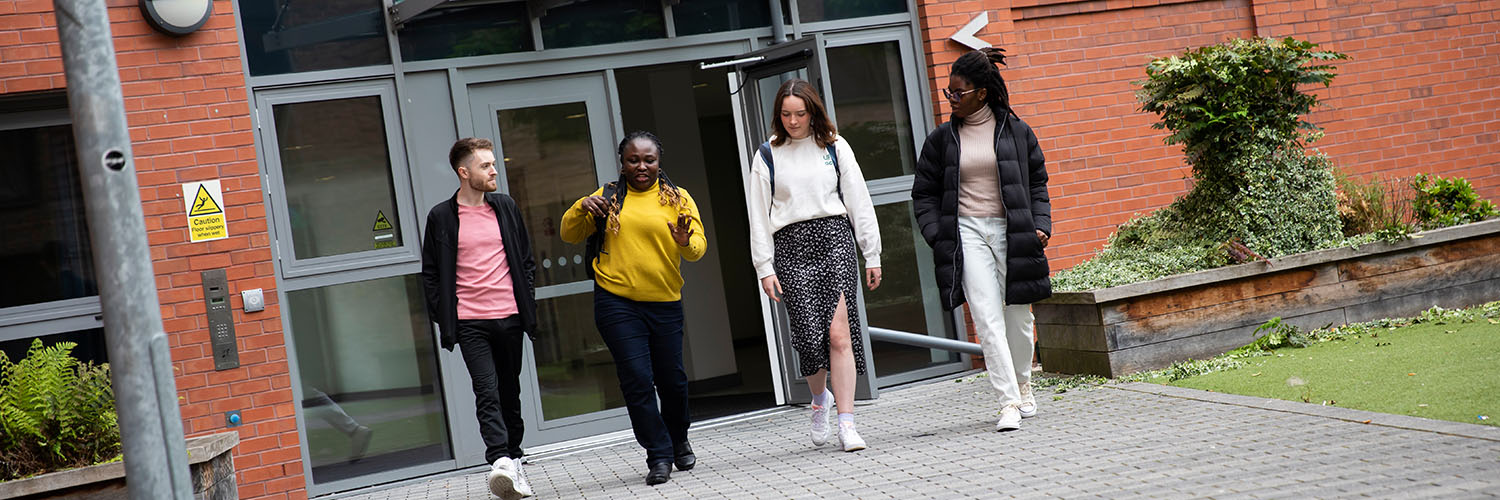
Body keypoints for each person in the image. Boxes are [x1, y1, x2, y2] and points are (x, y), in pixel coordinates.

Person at [911, 48, 1054, 432]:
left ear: (982, 93)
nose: (952, 99)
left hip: (1013, 231)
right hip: (966, 233)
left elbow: (1038, 182)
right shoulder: (941, 140)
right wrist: (936, 233)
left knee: (1019, 317)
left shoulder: (1017, 131)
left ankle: (1024, 383)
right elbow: (923, 193)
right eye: (948, 92)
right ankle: (1007, 401)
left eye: (958, 93)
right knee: (986, 318)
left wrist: (1041, 222)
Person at [560, 131, 707, 486]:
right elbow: (568, 233)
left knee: (672, 381)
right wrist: (582, 206)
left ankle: (678, 439)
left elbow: (698, 249)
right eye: (633, 160)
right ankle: (658, 454)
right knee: (638, 380)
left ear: (659, 161)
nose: (641, 166)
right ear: (622, 163)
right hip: (616, 301)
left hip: (664, 301)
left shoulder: (677, 199)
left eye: (649, 159)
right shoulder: (607, 197)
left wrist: (685, 242)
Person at [747, 79, 882, 452]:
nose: (793, 121)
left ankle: (847, 422)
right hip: (789, 246)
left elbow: (859, 200)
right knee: (809, 339)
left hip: (834, 238)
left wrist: (872, 253)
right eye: (786, 114)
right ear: (779, 115)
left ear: (813, 112)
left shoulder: (835, 146)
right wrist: (765, 267)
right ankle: (820, 399)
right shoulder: (767, 156)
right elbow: (758, 216)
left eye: (800, 114)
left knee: (840, 335)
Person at [420, 137, 538, 499]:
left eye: (493, 163)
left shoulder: (504, 206)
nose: (493, 170)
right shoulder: (442, 216)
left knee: (509, 392)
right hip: (471, 321)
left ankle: (514, 460)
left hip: (510, 317)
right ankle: (499, 460)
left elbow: (525, 259)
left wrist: (526, 297)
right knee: (486, 390)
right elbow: (430, 273)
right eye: (485, 165)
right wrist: (447, 315)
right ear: (464, 172)